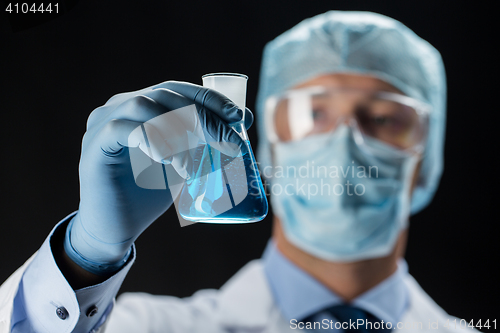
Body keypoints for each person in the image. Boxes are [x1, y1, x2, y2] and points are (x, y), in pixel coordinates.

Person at [0, 10, 471, 333]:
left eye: (385, 119)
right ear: (261, 141)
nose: (344, 143)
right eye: (313, 114)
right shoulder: (139, 326)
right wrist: (87, 256)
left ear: (427, 154)